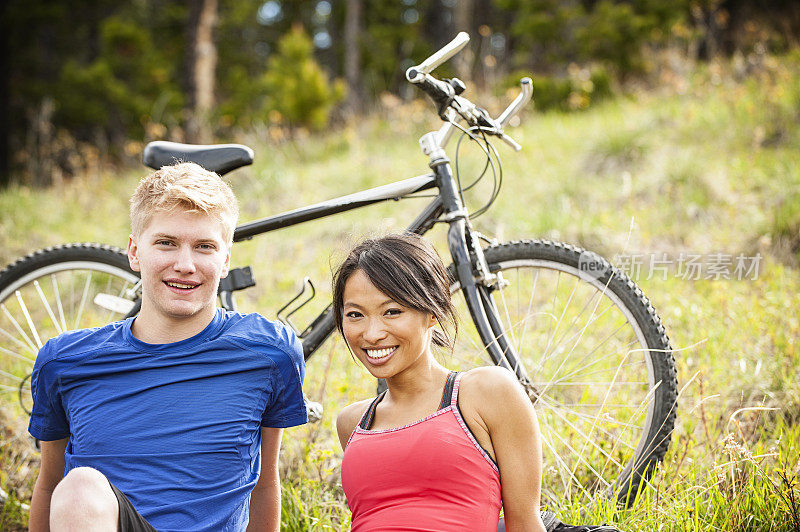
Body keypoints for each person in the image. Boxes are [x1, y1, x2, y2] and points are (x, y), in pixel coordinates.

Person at [27, 162, 308, 531]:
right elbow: (49, 486)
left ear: (225, 260)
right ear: (134, 252)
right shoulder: (65, 363)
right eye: (166, 243)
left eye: (204, 246)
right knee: (80, 489)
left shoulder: (270, 353)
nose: (185, 264)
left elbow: (265, 484)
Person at [333, 233, 548, 532]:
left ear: (432, 313)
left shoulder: (486, 393)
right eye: (355, 314)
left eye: (392, 311)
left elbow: (524, 524)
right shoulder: (353, 422)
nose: (371, 334)